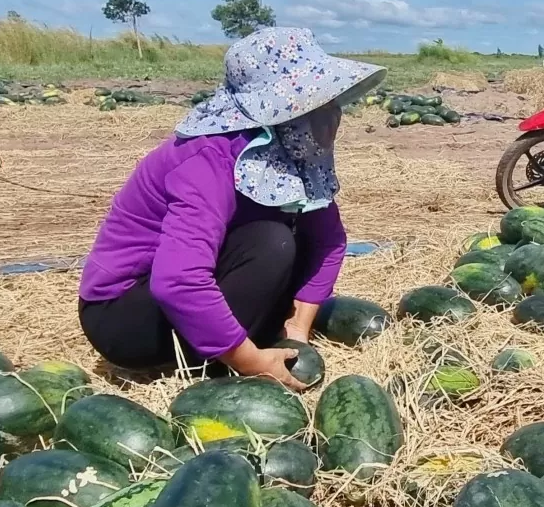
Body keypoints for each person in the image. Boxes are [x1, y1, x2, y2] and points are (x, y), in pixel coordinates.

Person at [77, 27, 385, 391]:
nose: (331, 114)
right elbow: (179, 280)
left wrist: (298, 331)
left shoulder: (292, 151)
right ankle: (218, 359)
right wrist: (252, 363)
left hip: (184, 293)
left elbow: (328, 241)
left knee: (292, 234)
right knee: (272, 240)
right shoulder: (206, 159)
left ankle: (237, 338)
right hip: (125, 318)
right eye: (317, 102)